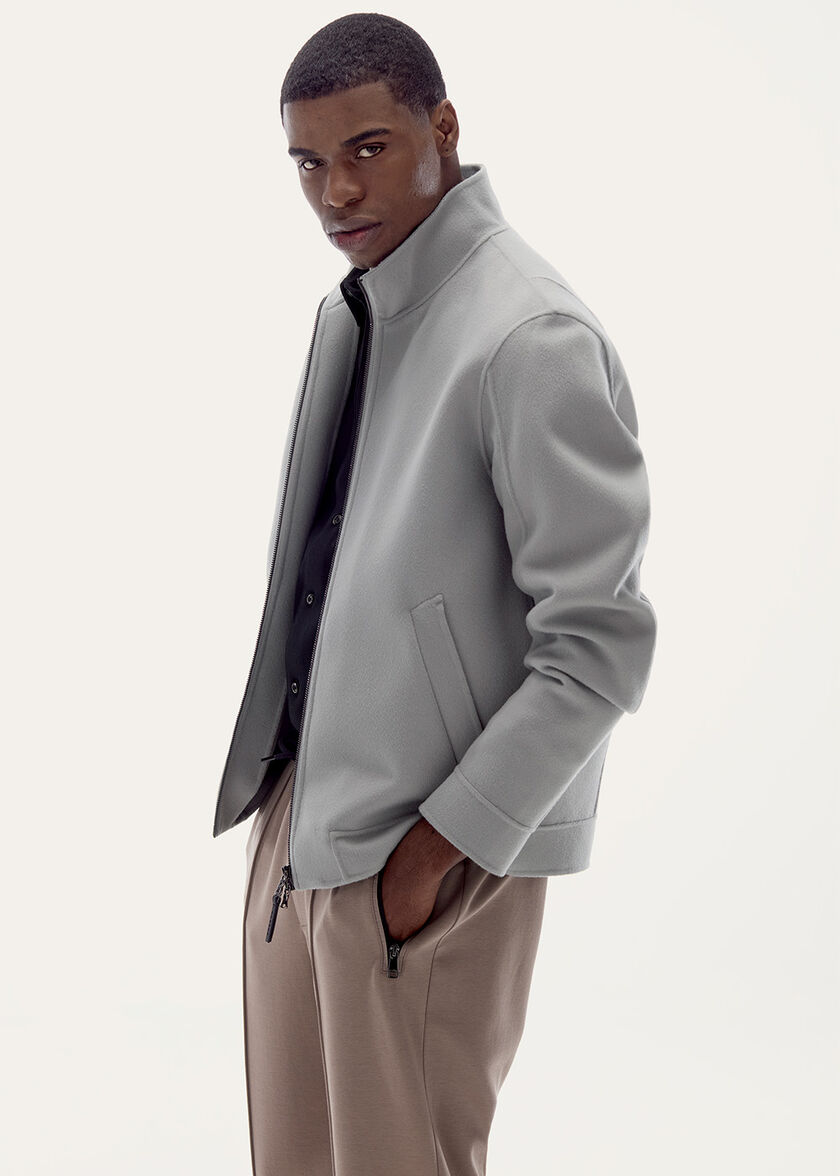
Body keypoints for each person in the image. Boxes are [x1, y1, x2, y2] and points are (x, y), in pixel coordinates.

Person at [212, 12, 658, 1175]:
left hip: (421, 857)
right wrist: (286, 809)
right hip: (304, 827)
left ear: (442, 127)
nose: (335, 192)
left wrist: (434, 855)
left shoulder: (530, 336)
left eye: (367, 148)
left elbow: (600, 646)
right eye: (308, 162)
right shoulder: (359, 310)